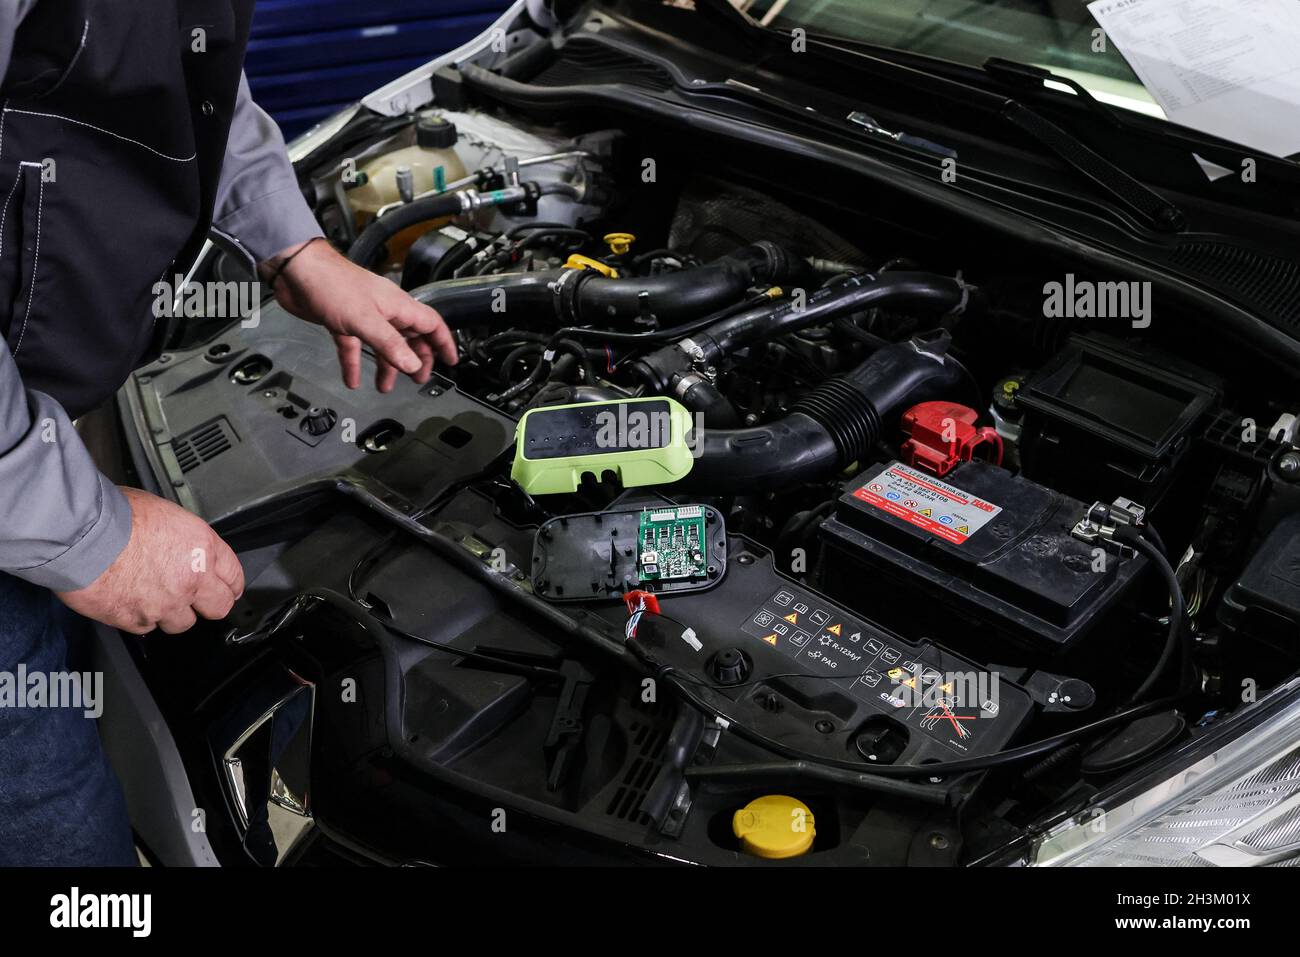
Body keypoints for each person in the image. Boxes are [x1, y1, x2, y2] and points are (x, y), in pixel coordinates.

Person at [0, 2, 456, 865]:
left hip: (40, 418)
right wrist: (87, 532)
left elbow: (192, 78)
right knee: (61, 839)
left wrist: (294, 247)